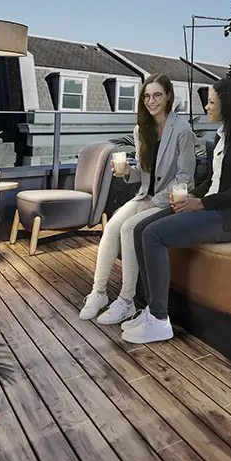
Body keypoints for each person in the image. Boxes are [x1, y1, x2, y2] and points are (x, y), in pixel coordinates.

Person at [121, 77, 231, 344]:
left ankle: (159, 319)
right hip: (210, 206)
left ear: (229, 103)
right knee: (141, 228)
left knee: (154, 236)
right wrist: (193, 196)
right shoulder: (222, 134)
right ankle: (150, 307)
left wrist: (201, 204)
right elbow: (213, 181)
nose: (207, 107)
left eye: (211, 102)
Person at [80, 74, 195, 323]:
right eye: (146, 96)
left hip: (169, 201)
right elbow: (143, 175)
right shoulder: (141, 129)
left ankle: (126, 300)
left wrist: (156, 202)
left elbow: (185, 178)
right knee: (111, 227)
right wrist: (125, 173)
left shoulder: (182, 130)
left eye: (157, 95)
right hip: (145, 195)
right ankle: (98, 292)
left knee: (129, 229)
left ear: (168, 97)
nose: (151, 101)